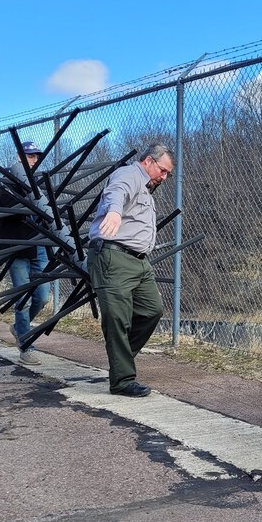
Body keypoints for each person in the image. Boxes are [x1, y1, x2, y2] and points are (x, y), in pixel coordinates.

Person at [87, 144, 174, 397]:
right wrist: (114, 212)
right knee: (118, 319)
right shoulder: (130, 175)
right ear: (148, 161)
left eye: (168, 173)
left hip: (139, 262)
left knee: (151, 310)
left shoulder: (147, 189)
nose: (164, 177)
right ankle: (122, 380)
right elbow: (118, 192)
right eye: (163, 170)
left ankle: (120, 361)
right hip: (114, 256)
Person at [0, 140, 51, 365]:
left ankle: (20, 327)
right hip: (17, 246)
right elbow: (5, 210)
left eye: (36, 156)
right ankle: (26, 345)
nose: (34, 160)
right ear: (20, 157)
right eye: (30, 156)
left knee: (43, 296)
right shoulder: (7, 183)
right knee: (24, 297)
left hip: (39, 245)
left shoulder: (38, 182)